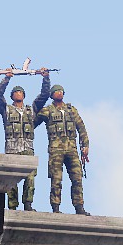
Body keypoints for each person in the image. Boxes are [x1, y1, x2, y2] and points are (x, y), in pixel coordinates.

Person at [0, 63, 49, 209]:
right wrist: (7, 78)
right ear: (12, 96)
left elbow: (44, 96)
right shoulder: (6, 109)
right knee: (10, 179)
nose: (18, 94)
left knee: (30, 178)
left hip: (28, 148)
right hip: (12, 148)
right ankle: (12, 206)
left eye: (20, 92)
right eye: (15, 92)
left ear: (24, 95)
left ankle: (28, 204)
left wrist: (45, 78)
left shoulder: (32, 110)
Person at [37, 82, 89, 214]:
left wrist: (85, 145)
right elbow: (33, 123)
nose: (59, 93)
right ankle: (56, 207)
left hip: (72, 148)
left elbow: (81, 128)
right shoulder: (47, 110)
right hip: (56, 150)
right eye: (56, 91)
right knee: (56, 179)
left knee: (77, 177)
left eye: (61, 91)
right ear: (52, 95)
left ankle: (79, 206)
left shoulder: (71, 110)